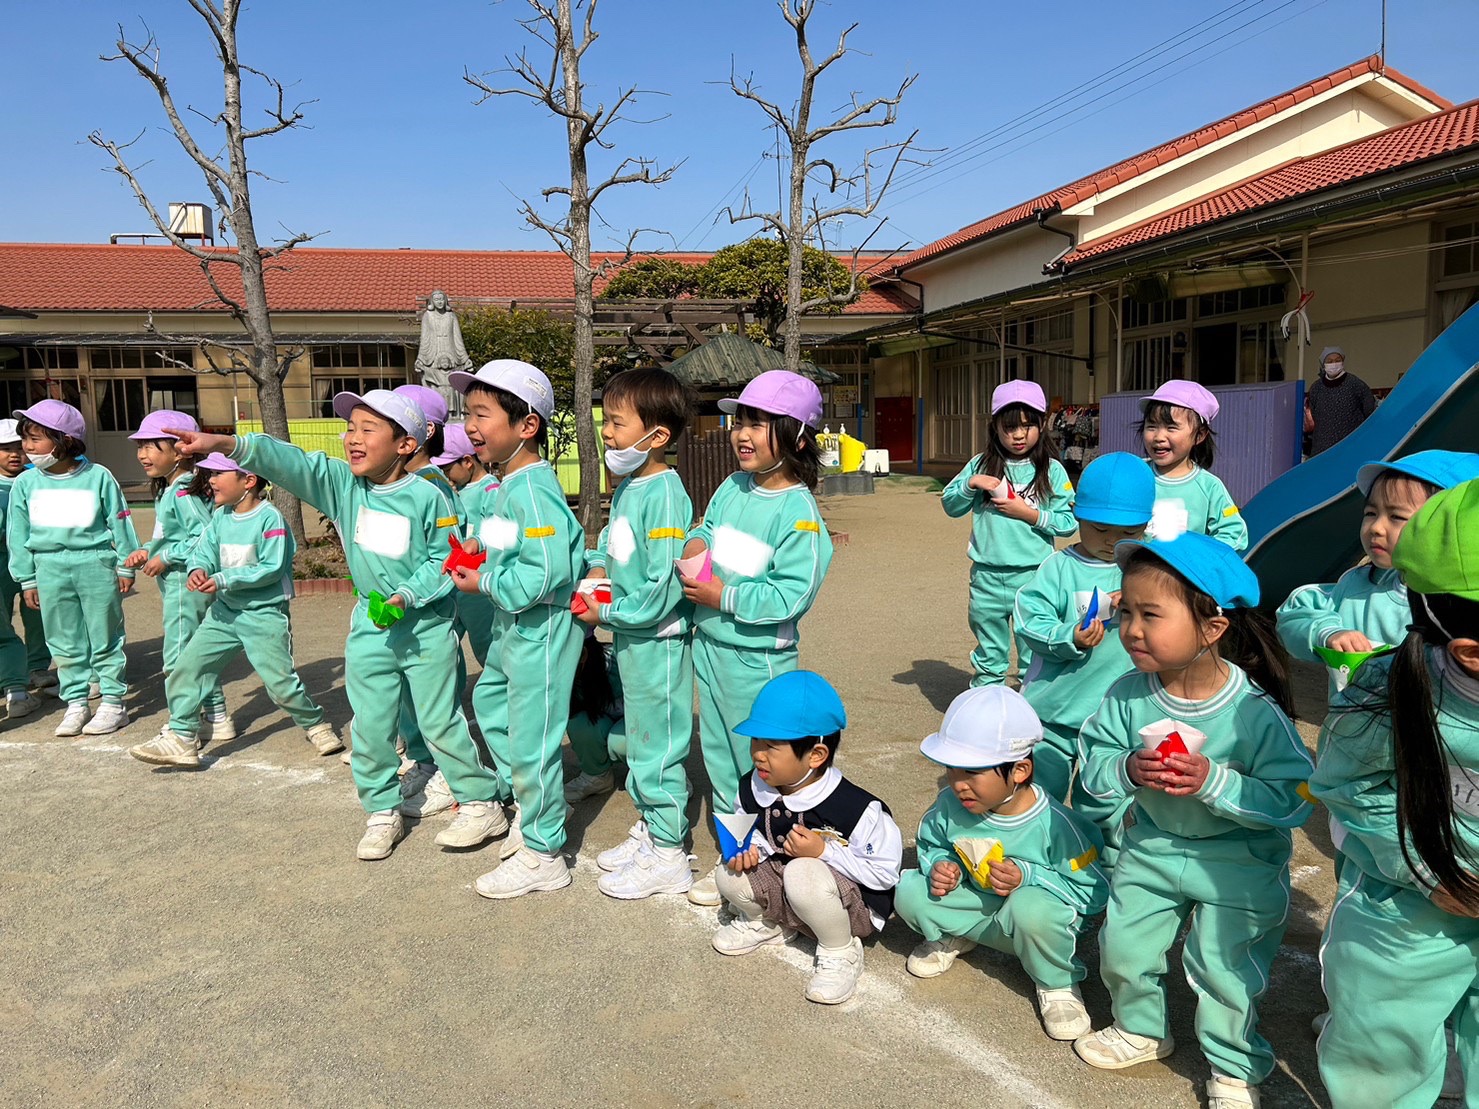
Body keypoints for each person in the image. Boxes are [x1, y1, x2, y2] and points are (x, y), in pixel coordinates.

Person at [169, 390, 504, 861]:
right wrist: (225, 444)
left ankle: (480, 802)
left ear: (405, 444)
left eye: (368, 429)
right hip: (371, 623)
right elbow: (290, 462)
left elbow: (444, 559)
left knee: (438, 721)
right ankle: (381, 810)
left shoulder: (430, 496)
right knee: (371, 723)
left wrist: (407, 595)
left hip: (424, 626)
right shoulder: (343, 485)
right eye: (350, 428)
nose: (353, 439)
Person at [1072, 533, 1312, 1109]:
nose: (1131, 629)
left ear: (1213, 627)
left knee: (1226, 967)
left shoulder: (1253, 712)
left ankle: (1234, 1066)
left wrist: (1215, 782)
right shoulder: (1128, 695)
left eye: (1151, 614)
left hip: (1239, 860)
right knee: (1123, 947)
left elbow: (1296, 797)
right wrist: (1127, 767)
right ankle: (1141, 1028)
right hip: (1152, 846)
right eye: (1126, 611)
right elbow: (1093, 763)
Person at [1311, 479, 1479, 1107]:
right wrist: (1435, 876)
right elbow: (1350, 790)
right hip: (1410, 907)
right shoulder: (1387, 692)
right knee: (1379, 1041)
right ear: (1470, 652)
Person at [679, 369, 835, 907]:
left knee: (762, 767)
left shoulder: (799, 513)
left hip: (757, 661)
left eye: (757, 423)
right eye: (738, 421)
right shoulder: (732, 486)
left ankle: (770, 862)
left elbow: (791, 596)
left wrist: (723, 596)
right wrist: (695, 544)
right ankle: (736, 857)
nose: (741, 434)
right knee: (721, 760)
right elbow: (706, 528)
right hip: (711, 647)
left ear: (796, 437)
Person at [895, 685, 1108, 1041]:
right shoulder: (949, 805)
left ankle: (1056, 981)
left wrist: (1028, 875)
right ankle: (953, 936)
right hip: (980, 912)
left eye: (971, 772)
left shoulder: (1055, 825)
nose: (958, 785)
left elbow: (1094, 890)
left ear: (1020, 770)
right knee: (909, 891)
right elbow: (933, 843)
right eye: (951, 770)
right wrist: (943, 867)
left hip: (1036, 926)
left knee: (1030, 908)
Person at [448, 359, 585, 899]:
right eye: (468, 413)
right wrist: (479, 546)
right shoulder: (509, 484)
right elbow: (512, 540)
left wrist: (483, 582)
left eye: (482, 414)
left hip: (540, 629)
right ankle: (535, 806)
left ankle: (544, 852)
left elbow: (546, 571)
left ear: (527, 425)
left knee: (533, 739)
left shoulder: (531, 489)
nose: (470, 426)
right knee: (491, 703)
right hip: (516, 629)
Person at [127, 453, 341, 767]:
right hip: (224, 612)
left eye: (219, 474)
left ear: (248, 481)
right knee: (187, 668)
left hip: (264, 615)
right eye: (210, 474)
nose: (210, 481)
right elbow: (204, 550)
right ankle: (182, 736)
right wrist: (197, 569)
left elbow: (271, 567)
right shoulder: (220, 516)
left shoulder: (270, 519)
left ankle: (315, 724)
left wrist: (223, 579)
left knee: (281, 686)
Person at [575, 368, 698, 900]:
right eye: (606, 420)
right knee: (646, 740)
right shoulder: (630, 486)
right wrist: (598, 568)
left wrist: (606, 613)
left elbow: (664, 585)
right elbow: (612, 543)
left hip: (658, 641)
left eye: (617, 422)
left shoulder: (665, 493)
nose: (607, 432)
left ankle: (669, 852)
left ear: (657, 435)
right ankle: (652, 826)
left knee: (657, 745)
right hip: (633, 637)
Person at [711, 670, 902, 1006]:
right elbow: (748, 827)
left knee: (803, 871)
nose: (758, 754)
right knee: (727, 872)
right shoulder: (753, 785)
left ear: (816, 755)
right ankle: (766, 923)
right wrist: (748, 849)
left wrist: (823, 851)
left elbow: (885, 875)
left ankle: (840, 950)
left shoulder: (857, 808)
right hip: (789, 891)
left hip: (849, 909)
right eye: (755, 741)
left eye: (771, 746)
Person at [1278, 450, 1479, 701]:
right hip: (1352, 723)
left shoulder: (1460, 608)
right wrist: (1326, 633)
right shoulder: (1358, 584)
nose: (1376, 527)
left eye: (1397, 517)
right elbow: (1294, 613)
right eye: (1371, 513)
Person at [1015, 451, 1154, 799]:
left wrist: (1139, 599)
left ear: (1147, 523)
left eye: (1129, 531)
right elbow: (1030, 619)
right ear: (1076, 513)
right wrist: (1069, 636)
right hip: (1055, 713)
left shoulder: (1153, 567)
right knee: (1039, 799)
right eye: (1100, 529)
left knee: (1104, 803)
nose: (1111, 540)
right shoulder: (1059, 567)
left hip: (1119, 718)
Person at [5, 399, 136, 737]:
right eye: (25, 438)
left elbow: (120, 522)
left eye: (35, 439)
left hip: (95, 562)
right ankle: (76, 702)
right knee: (63, 638)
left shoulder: (98, 476)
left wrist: (125, 565)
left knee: (104, 635)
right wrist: (27, 579)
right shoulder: (25, 484)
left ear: (64, 440)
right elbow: (18, 535)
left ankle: (113, 702)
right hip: (48, 567)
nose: (27, 446)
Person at [941, 380, 1077, 687]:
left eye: (1027, 425)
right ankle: (986, 701)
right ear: (995, 427)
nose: (1018, 435)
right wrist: (971, 484)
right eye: (1010, 427)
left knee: (1034, 649)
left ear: (1042, 424)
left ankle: (1032, 704)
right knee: (989, 654)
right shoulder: (980, 465)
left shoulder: (1052, 470)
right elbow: (950, 505)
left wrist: (1029, 514)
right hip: (986, 577)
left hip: (1034, 576)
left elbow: (1070, 522)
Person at [124, 411, 230, 739]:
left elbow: (205, 534)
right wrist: (149, 550)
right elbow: (172, 534)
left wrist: (166, 557)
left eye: (151, 446)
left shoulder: (183, 489)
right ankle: (217, 717)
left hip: (186, 583)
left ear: (181, 450)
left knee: (178, 657)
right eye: (140, 446)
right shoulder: (172, 488)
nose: (142, 454)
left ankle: (184, 724)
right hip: (180, 583)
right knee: (194, 652)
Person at [1138, 380, 1247, 550]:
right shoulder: (1134, 473)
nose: (1159, 437)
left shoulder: (1210, 487)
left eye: (1171, 428)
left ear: (1199, 435)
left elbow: (1235, 534)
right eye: (1151, 426)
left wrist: (1198, 554)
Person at [0, 419, 49, 719]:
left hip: (34, 558)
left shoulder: (37, 480)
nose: (14, 454)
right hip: (1, 563)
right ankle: (10, 677)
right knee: (3, 623)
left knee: (38, 615)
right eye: (5, 449)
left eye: (19, 448)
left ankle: (37, 667)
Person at [1305, 345, 1376, 457]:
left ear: (1343, 362)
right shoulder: (1316, 388)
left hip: (1351, 448)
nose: (1334, 364)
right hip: (1322, 450)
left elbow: (1369, 411)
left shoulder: (1355, 384)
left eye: (1337, 360)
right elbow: (1314, 415)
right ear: (1323, 364)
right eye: (1330, 361)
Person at [415, 290, 472, 419]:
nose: (439, 302)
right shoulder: (427, 316)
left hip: (450, 351)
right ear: (432, 301)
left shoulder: (451, 316)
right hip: (433, 353)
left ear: (445, 301)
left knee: (451, 383)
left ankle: (454, 414)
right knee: (435, 384)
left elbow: (457, 338)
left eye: (441, 299)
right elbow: (425, 338)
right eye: (436, 299)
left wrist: (464, 358)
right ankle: (437, 413)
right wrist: (421, 358)